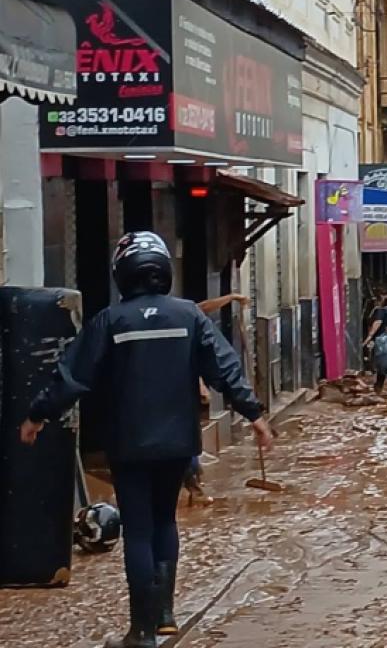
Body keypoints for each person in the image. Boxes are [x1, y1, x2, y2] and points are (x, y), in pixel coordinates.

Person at [19, 231, 272, 648]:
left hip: (129, 444)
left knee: (138, 531)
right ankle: (166, 616)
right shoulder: (189, 316)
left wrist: (37, 415)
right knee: (165, 521)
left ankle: (142, 632)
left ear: (123, 273)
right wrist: (255, 415)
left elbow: (71, 377)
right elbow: (225, 369)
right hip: (178, 444)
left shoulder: (110, 321)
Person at [184, 292, 251, 503]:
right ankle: (194, 488)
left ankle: (194, 484)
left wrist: (231, 298)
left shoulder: (183, 316)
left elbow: (201, 307)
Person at [363, 294, 387, 395]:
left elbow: (377, 322)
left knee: (381, 367)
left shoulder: (381, 311)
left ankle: (378, 390)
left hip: (382, 343)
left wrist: (368, 338)